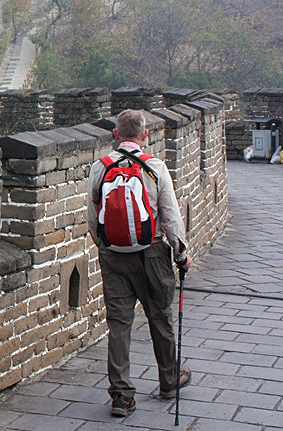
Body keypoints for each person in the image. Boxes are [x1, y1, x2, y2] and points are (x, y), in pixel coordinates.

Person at [87, 109, 192, 418]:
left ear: (116, 135)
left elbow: (93, 218)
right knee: (160, 317)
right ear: (145, 136)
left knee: (119, 325)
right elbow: (170, 216)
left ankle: (121, 395)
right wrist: (181, 254)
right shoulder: (155, 168)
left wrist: (105, 248)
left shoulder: (100, 168)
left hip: (114, 257)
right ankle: (169, 380)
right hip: (152, 255)